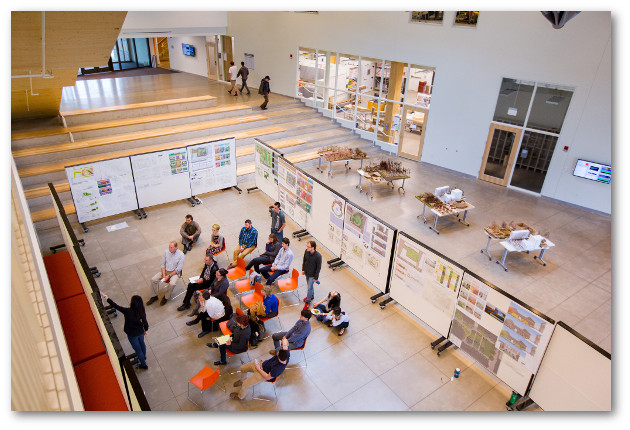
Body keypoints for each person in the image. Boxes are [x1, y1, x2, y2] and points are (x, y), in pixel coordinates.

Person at [101, 293, 149, 369]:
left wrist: (106, 297)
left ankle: (143, 364)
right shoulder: (142, 311)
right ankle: (143, 356)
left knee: (137, 349)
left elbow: (116, 306)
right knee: (142, 344)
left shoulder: (127, 311)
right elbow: (145, 323)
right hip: (140, 332)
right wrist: (145, 330)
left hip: (132, 334)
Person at [147, 241, 185, 306]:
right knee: (153, 279)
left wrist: (169, 276)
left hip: (174, 273)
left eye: (171, 247)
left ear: (176, 247)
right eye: (169, 247)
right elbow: (162, 264)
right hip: (165, 271)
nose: (170, 249)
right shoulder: (166, 252)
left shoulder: (181, 255)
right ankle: (154, 296)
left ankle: (166, 297)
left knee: (172, 283)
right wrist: (164, 275)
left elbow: (178, 269)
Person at [302, 241, 322, 308]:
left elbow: (318, 268)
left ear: (313, 248)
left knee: (309, 288)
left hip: (312, 275)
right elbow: (304, 260)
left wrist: (316, 278)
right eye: (307, 246)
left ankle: (308, 301)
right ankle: (311, 296)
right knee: (309, 286)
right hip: (307, 272)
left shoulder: (318, 256)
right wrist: (303, 269)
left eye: (308, 247)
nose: (307, 248)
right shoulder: (306, 251)